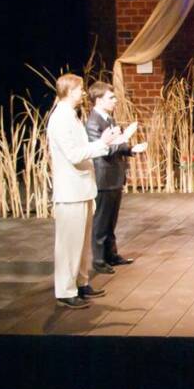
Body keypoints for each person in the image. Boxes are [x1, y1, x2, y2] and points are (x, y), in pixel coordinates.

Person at [47, 74, 122, 309]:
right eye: (80, 89)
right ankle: (65, 291)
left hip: (82, 189)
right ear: (69, 91)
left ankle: (80, 282)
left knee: (80, 244)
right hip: (70, 192)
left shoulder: (72, 115)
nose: (83, 93)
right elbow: (74, 154)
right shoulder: (60, 118)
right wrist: (103, 143)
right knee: (69, 245)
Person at [86, 82, 147, 275]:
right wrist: (125, 144)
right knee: (101, 219)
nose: (115, 100)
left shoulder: (108, 119)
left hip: (114, 174)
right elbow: (102, 149)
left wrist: (129, 147)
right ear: (98, 100)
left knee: (111, 219)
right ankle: (98, 259)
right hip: (104, 175)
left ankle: (111, 254)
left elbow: (115, 145)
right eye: (111, 97)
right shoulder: (94, 122)